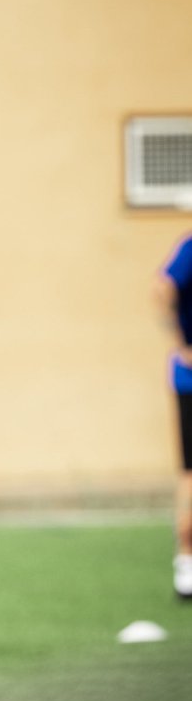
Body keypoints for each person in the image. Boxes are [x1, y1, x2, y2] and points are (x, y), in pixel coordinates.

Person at [155, 235, 192, 600]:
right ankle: (187, 562)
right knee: (191, 473)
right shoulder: (191, 248)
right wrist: (182, 344)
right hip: (191, 381)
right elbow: (163, 286)